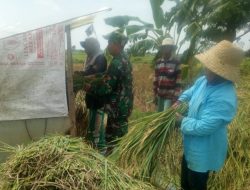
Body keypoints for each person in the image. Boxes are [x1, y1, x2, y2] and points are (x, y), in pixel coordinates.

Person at [173, 40, 244, 190]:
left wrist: (181, 121)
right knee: (185, 182)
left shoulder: (224, 97)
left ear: (221, 72)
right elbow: (191, 91)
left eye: (210, 66)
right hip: (191, 145)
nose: (205, 68)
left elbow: (205, 126)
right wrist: (180, 100)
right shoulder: (204, 81)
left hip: (203, 151)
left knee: (196, 184)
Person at [84, 31, 133, 154]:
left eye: (109, 43)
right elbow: (109, 76)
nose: (108, 46)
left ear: (116, 44)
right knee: (119, 136)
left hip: (117, 107)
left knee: (114, 139)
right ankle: (114, 157)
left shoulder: (117, 63)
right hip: (123, 106)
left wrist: (90, 88)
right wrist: (95, 76)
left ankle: (114, 162)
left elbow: (107, 88)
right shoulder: (124, 59)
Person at [78, 37, 107, 152]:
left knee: (97, 124)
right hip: (91, 96)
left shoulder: (100, 58)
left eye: (86, 47)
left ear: (92, 47)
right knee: (92, 122)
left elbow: (95, 73)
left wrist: (81, 76)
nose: (85, 50)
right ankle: (91, 146)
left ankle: (100, 149)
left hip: (98, 97)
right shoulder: (90, 57)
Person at [153, 37, 181, 112]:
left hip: (169, 96)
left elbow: (178, 81)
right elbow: (155, 79)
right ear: (162, 48)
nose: (166, 49)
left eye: (169, 47)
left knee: (165, 116)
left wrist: (176, 97)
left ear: (171, 48)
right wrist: (155, 94)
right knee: (158, 116)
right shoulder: (158, 62)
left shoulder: (176, 62)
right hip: (159, 95)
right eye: (165, 47)